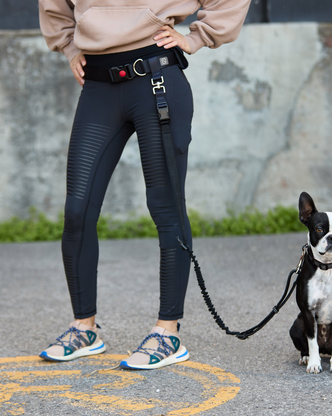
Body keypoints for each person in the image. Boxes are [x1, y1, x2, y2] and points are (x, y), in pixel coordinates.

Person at [38, 0, 250, 370]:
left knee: (165, 207)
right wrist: (70, 45)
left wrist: (197, 37)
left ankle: (167, 332)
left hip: (156, 79)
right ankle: (84, 327)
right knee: (77, 208)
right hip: (99, 85)